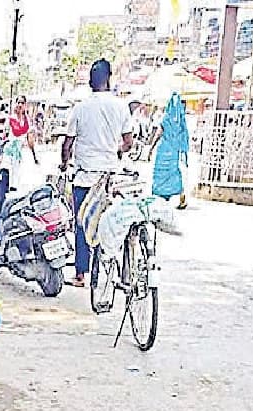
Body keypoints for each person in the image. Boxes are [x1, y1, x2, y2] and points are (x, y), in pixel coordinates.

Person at [60, 59, 134, 287]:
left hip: (84, 176)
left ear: (90, 81)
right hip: (110, 178)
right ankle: (116, 269)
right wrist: (116, 151)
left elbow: (67, 145)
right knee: (112, 222)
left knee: (82, 223)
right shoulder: (120, 106)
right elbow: (128, 142)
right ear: (109, 78)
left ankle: (81, 274)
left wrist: (64, 164)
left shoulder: (81, 108)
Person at [148, 92, 189, 209]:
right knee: (174, 173)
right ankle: (181, 197)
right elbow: (185, 137)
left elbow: (158, 134)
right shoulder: (181, 121)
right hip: (174, 152)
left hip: (163, 152)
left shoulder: (166, 118)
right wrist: (183, 151)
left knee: (160, 173)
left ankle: (160, 198)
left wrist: (151, 149)